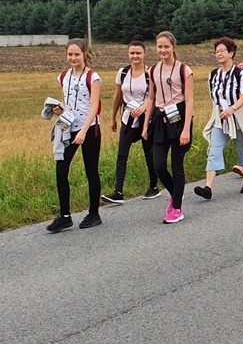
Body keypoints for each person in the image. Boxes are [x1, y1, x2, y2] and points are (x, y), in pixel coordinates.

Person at [196, 37, 243, 200]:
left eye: (222, 51)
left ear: (231, 53)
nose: (219, 54)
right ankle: (208, 188)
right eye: (217, 51)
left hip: (239, 116)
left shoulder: (240, 74)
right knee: (214, 150)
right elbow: (213, 96)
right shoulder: (213, 75)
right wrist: (222, 110)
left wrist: (232, 109)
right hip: (221, 118)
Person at [46, 38, 103, 232]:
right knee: (61, 169)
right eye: (70, 54)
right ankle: (65, 216)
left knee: (91, 171)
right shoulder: (63, 77)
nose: (73, 58)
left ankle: (94, 213)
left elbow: (94, 107)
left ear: (84, 54)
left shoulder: (93, 78)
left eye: (77, 54)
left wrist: (84, 132)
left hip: (89, 129)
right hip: (68, 128)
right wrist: (59, 110)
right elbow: (66, 102)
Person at [142, 31, 194, 224]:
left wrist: (186, 129)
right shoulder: (153, 70)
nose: (163, 50)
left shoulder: (184, 70)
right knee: (158, 164)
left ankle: (177, 209)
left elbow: (189, 101)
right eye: (160, 47)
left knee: (177, 164)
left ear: (174, 47)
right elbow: (151, 98)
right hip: (160, 119)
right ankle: (176, 194)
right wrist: (146, 124)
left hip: (179, 119)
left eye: (166, 46)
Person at [102, 36, 159, 205]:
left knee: (149, 153)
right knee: (121, 155)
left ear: (144, 54)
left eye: (138, 53)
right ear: (128, 54)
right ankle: (118, 192)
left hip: (146, 118)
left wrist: (143, 108)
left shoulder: (151, 73)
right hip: (128, 118)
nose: (135, 56)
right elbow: (118, 96)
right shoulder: (123, 72)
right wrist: (112, 117)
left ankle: (153, 187)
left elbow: (155, 98)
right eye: (132, 53)